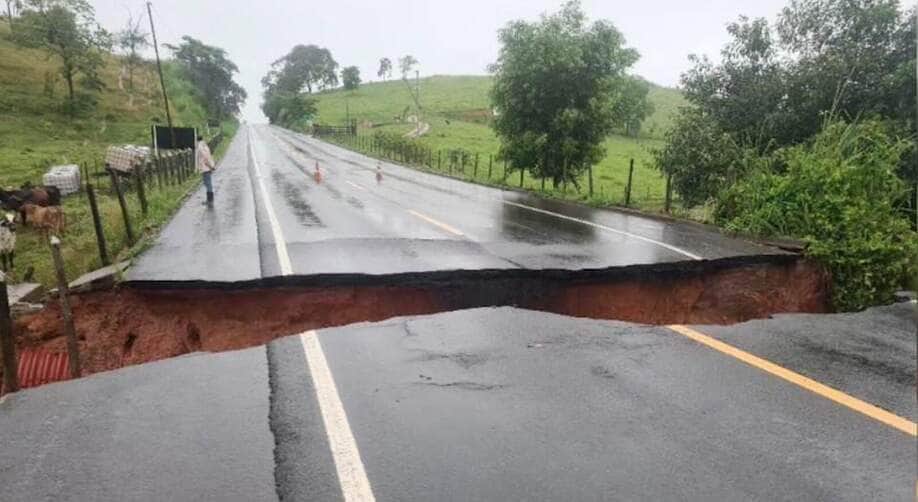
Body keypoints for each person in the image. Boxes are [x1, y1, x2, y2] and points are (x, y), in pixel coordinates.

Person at [195, 135, 216, 207]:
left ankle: (210, 200)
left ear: (197, 140)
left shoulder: (200, 147)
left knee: (208, 183)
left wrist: (210, 166)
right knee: (207, 183)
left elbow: (205, 157)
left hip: (206, 167)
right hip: (207, 167)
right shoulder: (205, 145)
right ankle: (209, 200)